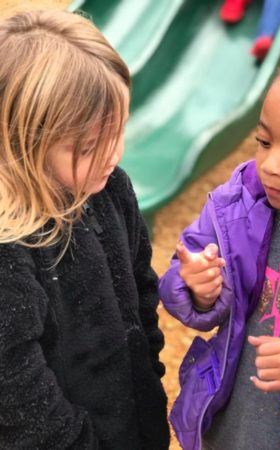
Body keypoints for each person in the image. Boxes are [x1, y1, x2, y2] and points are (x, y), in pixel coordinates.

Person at [160, 1, 280, 449]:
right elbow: (188, 285)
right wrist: (199, 287)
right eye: (263, 141)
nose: (271, 165)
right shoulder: (237, 203)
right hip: (228, 421)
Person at [0, 9, 170, 449]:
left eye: (119, 132)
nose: (114, 155)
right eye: (90, 146)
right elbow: (15, 386)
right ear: (24, 143)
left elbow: (141, 285)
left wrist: (150, 376)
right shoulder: (8, 246)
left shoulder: (111, 187)